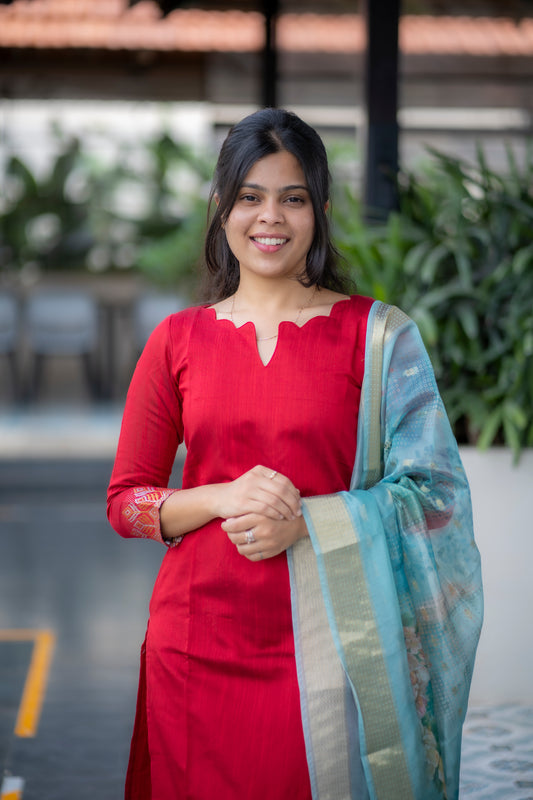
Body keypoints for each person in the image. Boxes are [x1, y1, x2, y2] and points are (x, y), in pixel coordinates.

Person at [107, 108, 483, 800]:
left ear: (320, 211)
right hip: (194, 644)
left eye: (292, 197)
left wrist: (306, 520)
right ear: (221, 208)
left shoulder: (377, 338)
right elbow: (127, 502)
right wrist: (222, 496)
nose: (268, 217)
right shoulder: (178, 340)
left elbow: (434, 494)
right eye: (249, 196)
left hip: (329, 643)